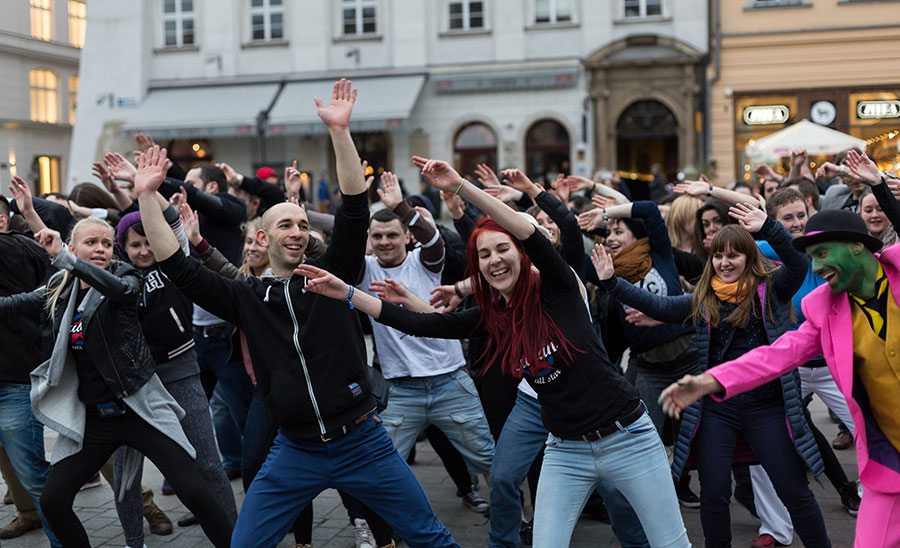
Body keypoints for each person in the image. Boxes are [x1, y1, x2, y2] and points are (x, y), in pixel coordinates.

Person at [296, 155, 690, 548]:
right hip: (566, 449)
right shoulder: (493, 315)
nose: (494, 260)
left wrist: (459, 186)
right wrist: (348, 293)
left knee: (669, 543)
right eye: (483, 255)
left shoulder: (558, 287)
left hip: (626, 437)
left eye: (502, 249)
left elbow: (533, 233)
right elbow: (425, 323)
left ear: (520, 254)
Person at [136, 80, 458, 548]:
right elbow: (177, 266)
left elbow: (352, 209)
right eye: (285, 223)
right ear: (263, 239)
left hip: (362, 442)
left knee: (431, 538)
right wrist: (147, 195)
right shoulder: (246, 296)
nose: (298, 231)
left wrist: (340, 132)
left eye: (303, 224)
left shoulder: (332, 276)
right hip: (295, 449)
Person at [592, 203, 830, 548]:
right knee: (715, 493)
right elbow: (659, 306)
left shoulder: (773, 289)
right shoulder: (704, 297)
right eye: (719, 256)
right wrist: (612, 283)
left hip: (768, 407)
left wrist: (768, 226)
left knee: (793, 490)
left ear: (749, 257)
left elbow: (798, 262)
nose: (725, 262)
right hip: (719, 409)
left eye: (734, 255)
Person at [659, 208, 900, 547]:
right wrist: (710, 380)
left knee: (794, 492)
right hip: (891, 466)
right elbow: (777, 355)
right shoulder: (823, 309)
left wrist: (879, 187)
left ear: (856, 245)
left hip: (769, 411)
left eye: (823, 255)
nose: (816, 268)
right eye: (812, 258)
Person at [0, 212, 233, 547]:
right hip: (95, 420)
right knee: (53, 501)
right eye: (91, 243)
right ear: (73, 247)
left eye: (107, 243)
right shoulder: (59, 288)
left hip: (138, 410)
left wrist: (66, 260)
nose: (100, 249)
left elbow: (120, 290)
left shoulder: (124, 276)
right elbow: (18, 303)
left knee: (195, 490)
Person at [361, 170, 494, 510]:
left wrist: (400, 206)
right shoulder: (365, 269)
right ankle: (388, 528)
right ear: (369, 239)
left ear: (407, 237)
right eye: (378, 236)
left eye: (393, 235)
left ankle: (514, 519)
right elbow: (339, 240)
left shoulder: (425, 261)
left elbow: (432, 238)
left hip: (450, 382)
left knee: (490, 460)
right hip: (399, 389)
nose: (385, 242)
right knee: (381, 467)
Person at [0, 190, 61, 546]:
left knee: (37, 475)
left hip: (15, 381)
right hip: (23, 372)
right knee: (30, 472)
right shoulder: (26, 248)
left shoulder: (15, 249)